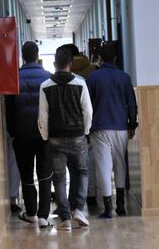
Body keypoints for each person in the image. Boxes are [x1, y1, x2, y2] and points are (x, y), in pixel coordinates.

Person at [38, 49, 93, 230]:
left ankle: (65, 219)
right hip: (77, 135)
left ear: (54, 64)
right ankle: (78, 209)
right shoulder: (80, 83)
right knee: (82, 172)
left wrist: (46, 136)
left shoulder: (45, 86)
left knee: (60, 179)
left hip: (55, 138)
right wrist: (85, 131)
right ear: (70, 64)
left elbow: (42, 116)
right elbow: (88, 111)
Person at [86, 43, 138, 219]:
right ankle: (121, 206)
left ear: (99, 58)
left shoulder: (93, 78)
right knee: (120, 164)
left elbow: (87, 105)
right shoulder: (124, 77)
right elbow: (131, 103)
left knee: (103, 166)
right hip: (121, 126)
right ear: (115, 58)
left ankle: (107, 208)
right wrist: (132, 124)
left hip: (99, 127)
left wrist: (86, 127)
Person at [5, 41, 52, 229]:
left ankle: (31, 212)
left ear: (23, 56)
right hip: (44, 135)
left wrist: (13, 131)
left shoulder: (13, 78)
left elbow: (9, 111)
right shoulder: (48, 78)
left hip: (22, 136)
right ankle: (43, 216)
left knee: (26, 175)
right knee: (45, 174)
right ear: (37, 54)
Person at [57, 44, 98, 207]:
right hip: (80, 129)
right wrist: (87, 129)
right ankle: (87, 199)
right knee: (83, 169)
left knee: (60, 174)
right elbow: (88, 107)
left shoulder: (54, 81)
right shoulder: (91, 72)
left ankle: (64, 208)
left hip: (59, 130)